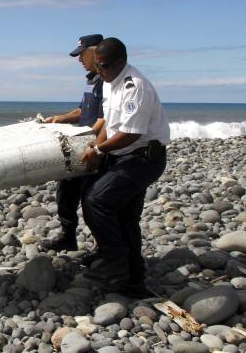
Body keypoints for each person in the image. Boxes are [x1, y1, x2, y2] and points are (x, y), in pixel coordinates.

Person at [80, 38, 170, 296]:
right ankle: (133, 280)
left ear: (121, 62)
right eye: (97, 66)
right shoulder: (110, 81)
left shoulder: (135, 87)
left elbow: (131, 133)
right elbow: (110, 122)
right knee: (123, 215)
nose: (99, 71)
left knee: (99, 200)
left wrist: (98, 150)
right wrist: (98, 150)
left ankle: (115, 262)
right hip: (122, 155)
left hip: (143, 158)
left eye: (104, 66)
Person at [43, 34, 105, 253]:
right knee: (65, 192)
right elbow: (82, 111)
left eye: (81, 54)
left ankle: (103, 247)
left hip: (96, 148)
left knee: (92, 200)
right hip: (81, 145)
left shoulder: (107, 82)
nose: (79, 60)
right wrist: (59, 118)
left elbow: (104, 119)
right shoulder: (91, 80)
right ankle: (68, 236)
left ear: (95, 51)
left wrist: (92, 146)